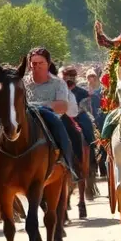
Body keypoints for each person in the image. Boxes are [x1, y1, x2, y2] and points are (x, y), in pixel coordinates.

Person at [23, 48, 79, 181]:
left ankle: (68, 164)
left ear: (48, 63)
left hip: (48, 119)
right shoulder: (22, 82)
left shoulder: (58, 83)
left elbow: (62, 106)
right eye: (33, 63)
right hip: (25, 119)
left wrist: (41, 105)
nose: (36, 66)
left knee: (63, 132)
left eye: (40, 63)